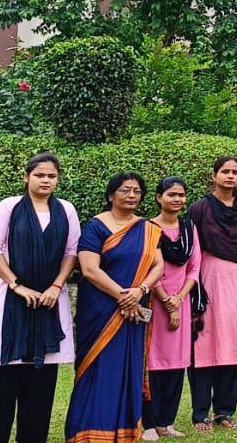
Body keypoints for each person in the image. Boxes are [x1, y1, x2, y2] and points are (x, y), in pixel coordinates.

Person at [0, 153, 79, 443]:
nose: (45, 180)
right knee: (3, 368)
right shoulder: (10, 206)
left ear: (57, 179)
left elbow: (71, 252)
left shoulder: (66, 210)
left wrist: (56, 286)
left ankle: (32, 435)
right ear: (26, 176)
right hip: (10, 298)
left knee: (42, 371)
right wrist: (17, 285)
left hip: (49, 301)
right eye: (39, 175)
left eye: (51, 176)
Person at [65, 173, 165, 443]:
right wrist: (124, 296)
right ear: (111, 195)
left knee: (126, 366)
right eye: (124, 190)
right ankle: (87, 429)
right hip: (100, 309)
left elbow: (159, 266)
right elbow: (88, 269)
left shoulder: (147, 228)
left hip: (133, 309)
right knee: (96, 366)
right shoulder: (96, 226)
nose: (131, 195)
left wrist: (139, 291)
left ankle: (124, 429)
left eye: (136, 191)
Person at [188, 156, 237, 432]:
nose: (230, 176)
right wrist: (194, 287)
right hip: (207, 281)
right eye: (225, 171)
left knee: (233, 345)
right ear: (214, 175)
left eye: (235, 172)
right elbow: (191, 251)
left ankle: (225, 411)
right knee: (204, 345)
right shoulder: (199, 209)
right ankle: (200, 413)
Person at [144, 176, 199, 440]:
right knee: (153, 364)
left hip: (182, 302)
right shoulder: (148, 229)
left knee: (177, 364)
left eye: (181, 195)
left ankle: (167, 422)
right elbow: (147, 268)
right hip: (156, 303)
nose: (177, 199)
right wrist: (167, 301)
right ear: (159, 197)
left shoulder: (189, 228)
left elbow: (195, 267)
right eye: (171, 194)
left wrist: (179, 299)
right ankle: (149, 423)